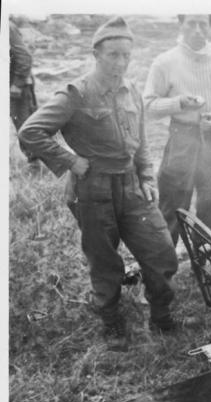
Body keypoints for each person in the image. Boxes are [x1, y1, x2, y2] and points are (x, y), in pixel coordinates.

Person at [18, 17, 180, 348]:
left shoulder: (132, 90)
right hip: (93, 189)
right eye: (113, 55)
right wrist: (70, 161)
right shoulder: (76, 93)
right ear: (96, 54)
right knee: (104, 261)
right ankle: (112, 323)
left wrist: (147, 176)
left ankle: (161, 318)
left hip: (132, 185)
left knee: (161, 251)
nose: (120, 63)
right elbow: (30, 131)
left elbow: (142, 141)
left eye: (125, 55)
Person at [143, 14, 211, 243]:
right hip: (182, 139)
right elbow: (148, 106)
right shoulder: (164, 62)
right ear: (181, 24)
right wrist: (179, 103)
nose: (197, 30)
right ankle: (164, 270)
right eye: (191, 23)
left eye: (203, 24)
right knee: (171, 207)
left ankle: (205, 266)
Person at [10, 19, 39, 165]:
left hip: (16, 87)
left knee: (25, 125)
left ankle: (35, 164)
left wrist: (17, 84)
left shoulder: (7, 27)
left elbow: (24, 57)